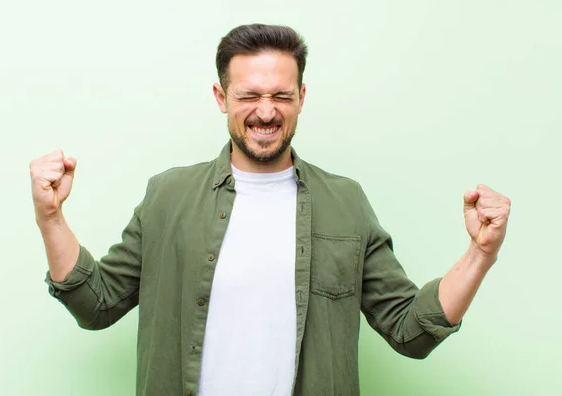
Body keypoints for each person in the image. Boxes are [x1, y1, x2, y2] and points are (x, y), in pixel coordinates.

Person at [29, 24, 511, 396]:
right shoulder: (167, 196)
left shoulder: (346, 201)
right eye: (249, 96)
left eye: (281, 95)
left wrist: (480, 254)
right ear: (222, 98)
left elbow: (410, 329)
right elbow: (96, 305)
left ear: (301, 98)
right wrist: (51, 219)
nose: (266, 111)